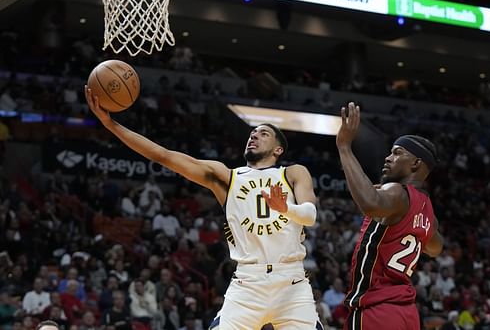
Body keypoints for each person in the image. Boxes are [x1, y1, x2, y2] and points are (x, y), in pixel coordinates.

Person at [85, 86, 322, 329]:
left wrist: (286, 208)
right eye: (252, 133)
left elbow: (310, 216)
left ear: (278, 149)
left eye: (262, 134)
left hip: (291, 283)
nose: (253, 136)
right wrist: (111, 124)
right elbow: (163, 156)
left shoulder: (293, 173)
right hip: (248, 284)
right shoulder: (227, 177)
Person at [335, 103, 444, 330]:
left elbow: (370, 204)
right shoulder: (427, 211)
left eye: (397, 153)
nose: (387, 158)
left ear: (416, 163)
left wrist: (344, 146)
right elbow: (436, 248)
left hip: (377, 309)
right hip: (406, 314)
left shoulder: (396, 193)